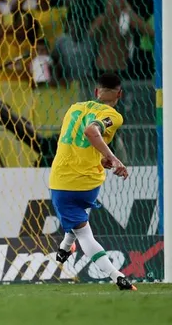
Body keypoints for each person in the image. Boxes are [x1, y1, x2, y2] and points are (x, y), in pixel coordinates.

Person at [49, 73, 136, 291]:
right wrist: (109, 157)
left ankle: (117, 277)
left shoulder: (73, 109)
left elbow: (89, 131)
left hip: (63, 181)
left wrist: (112, 158)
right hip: (89, 183)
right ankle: (65, 247)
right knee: (78, 215)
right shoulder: (113, 115)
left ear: (96, 92)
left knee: (84, 233)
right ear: (119, 94)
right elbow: (92, 135)